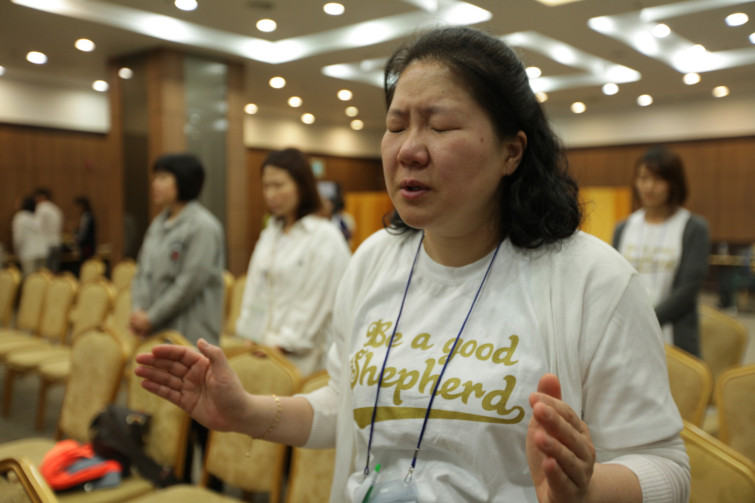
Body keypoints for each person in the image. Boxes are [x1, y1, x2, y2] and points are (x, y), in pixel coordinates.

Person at [135, 27, 689, 503]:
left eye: (439, 126)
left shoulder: (593, 281)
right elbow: (345, 403)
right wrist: (247, 412)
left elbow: (668, 467)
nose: (408, 150)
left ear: (511, 151)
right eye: (396, 125)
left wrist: (587, 489)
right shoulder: (373, 261)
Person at [235, 148, 352, 377]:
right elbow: (256, 290)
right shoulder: (271, 233)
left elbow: (317, 304)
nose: (270, 194)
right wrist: (250, 336)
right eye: (266, 186)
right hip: (262, 351)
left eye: (278, 185)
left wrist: (281, 343)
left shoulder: (324, 236)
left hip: (305, 360)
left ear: (302, 185)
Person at [613, 147, 710, 357]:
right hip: (627, 333)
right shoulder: (623, 228)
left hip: (675, 338)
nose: (649, 187)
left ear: (674, 183)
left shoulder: (694, 228)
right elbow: (614, 281)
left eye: (657, 180)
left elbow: (687, 290)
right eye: (643, 178)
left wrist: (647, 319)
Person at [130, 153, 225, 346]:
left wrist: (151, 317)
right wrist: (138, 311)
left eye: (163, 178)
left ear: (183, 180)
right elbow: (141, 273)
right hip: (156, 329)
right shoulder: (158, 224)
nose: (155, 184)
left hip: (190, 332)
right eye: (155, 178)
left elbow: (189, 284)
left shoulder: (202, 226)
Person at [12, 196, 47, 276]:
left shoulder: (19, 217)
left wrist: (16, 251)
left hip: (28, 253)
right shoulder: (37, 217)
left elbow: (18, 238)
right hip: (42, 251)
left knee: (30, 279)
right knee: (42, 278)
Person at [33, 188, 64, 273]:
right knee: (54, 272)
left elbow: (36, 227)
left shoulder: (41, 208)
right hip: (56, 243)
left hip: (46, 245)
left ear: (42, 196)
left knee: (45, 274)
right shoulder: (55, 209)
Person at [72, 196, 97, 262]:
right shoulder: (88, 216)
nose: (76, 210)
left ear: (82, 206)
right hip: (88, 246)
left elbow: (83, 235)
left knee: (86, 264)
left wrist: (74, 232)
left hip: (87, 247)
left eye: (77, 207)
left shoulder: (86, 217)